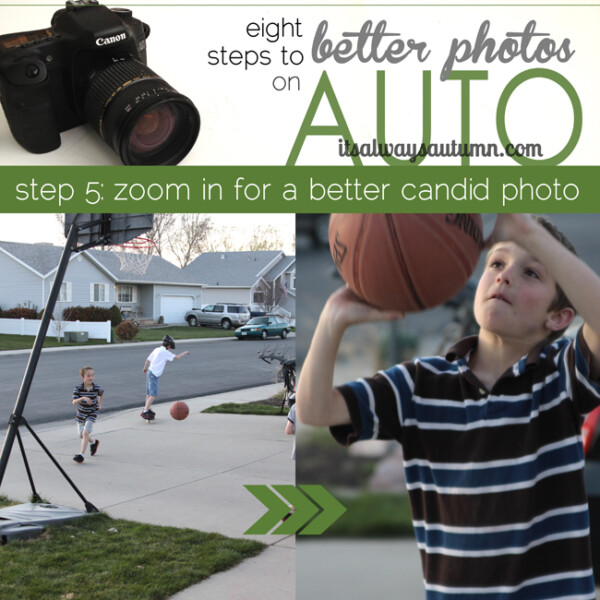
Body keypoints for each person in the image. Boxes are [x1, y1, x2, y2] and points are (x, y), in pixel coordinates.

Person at [297, 214, 600, 599]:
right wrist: (331, 321)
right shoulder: (418, 384)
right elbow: (315, 409)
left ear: (558, 318)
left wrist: (529, 234)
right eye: (496, 263)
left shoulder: (560, 376)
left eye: (532, 274)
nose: (505, 277)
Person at [142, 334, 190, 420]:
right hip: (154, 375)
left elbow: (148, 359)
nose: (170, 349)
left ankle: (147, 408)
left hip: (150, 372)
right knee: (153, 394)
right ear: (168, 346)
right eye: (170, 347)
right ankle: (145, 411)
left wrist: (145, 368)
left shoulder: (157, 349)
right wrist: (185, 352)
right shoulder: (165, 352)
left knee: (149, 393)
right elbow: (176, 358)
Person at [72, 366, 103, 463]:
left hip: (92, 413)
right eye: (88, 376)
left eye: (92, 375)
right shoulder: (78, 388)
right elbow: (73, 402)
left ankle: (81, 455)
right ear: (83, 377)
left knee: (85, 433)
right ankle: (94, 442)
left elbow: (101, 393)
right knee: (82, 435)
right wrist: (82, 398)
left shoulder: (96, 387)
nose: (91, 378)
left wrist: (99, 403)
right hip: (81, 414)